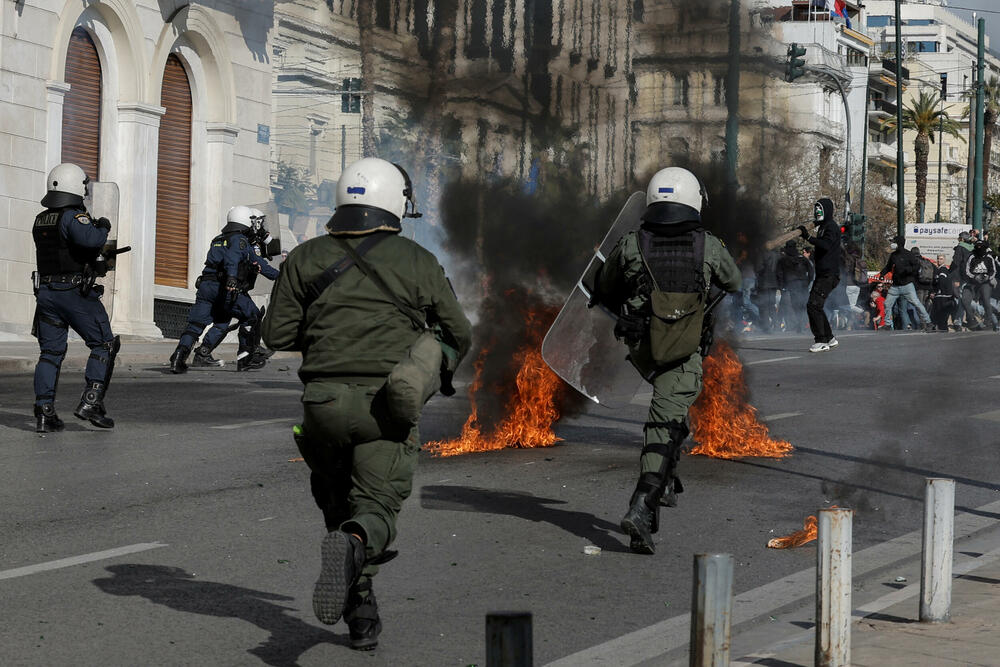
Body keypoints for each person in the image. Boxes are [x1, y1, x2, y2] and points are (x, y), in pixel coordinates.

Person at [261, 157, 471, 649]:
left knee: (338, 506)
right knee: (373, 510)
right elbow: (457, 331)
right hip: (386, 409)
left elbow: (276, 334)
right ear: (397, 201)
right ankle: (356, 548)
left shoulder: (305, 257)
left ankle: (361, 612)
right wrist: (431, 364)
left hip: (322, 404)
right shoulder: (418, 261)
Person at [592, 167, 741, 555]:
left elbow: (603, 287)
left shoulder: (630, 244)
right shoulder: (707, 245)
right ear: (693, 199)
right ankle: (642, 506)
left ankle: (668, 477)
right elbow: (735, 281)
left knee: (673, 414)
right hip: (682, 350)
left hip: (643, 349)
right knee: (664, 422)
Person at [31, 163, 119, 432]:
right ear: (74, 186)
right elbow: (91, 239)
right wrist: (103, 225)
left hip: (46, 294)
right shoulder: (73, 217)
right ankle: (91, 402)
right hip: (72, 293)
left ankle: (45, 412)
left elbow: (65, 252)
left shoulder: (41, 218)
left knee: (50, 353)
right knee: (104, 344)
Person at [168, 206, 279, 373]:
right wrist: (233, 279)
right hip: (226, 287)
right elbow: (234, 260)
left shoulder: (218, 238)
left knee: (198, 324)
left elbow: (256, 263)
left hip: (206, 287)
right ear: (244, 221)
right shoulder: (240, 240)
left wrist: (277, 274)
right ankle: (245, 358)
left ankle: (178, 357)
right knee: (252, 316)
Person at [797, 198, 841, 352]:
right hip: (823, 274)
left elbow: (826, 245)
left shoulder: (831, 227)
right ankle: (829, 338)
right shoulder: (823, 227)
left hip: (829, 275)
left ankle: (821, 340)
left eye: (820, 209)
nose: (817, 212)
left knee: (813, 305)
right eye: (816, 209)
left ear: (827, 210)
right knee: (817, 305)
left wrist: (808, 237)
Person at [878, 237, 932, 332]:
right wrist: (882, 274)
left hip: (907, 285)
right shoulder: (893, 255)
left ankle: (928, 322)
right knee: (887, 304)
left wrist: (907, 271)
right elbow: (888, 267)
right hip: (895, 286)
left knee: (917, 303)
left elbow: (916, 266)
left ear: (899, 243)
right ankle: (888, 324)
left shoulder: (909, 254)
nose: (892, 244)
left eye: (894, 242)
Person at [960, 239, 998, 331]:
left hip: (985, 283)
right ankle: (971, 319)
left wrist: (987, 277)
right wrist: (974, 277)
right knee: (964, 299)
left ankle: (988, 321)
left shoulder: (989, 257)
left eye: (981, 247)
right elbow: (967, 270)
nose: (979, 249)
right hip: (972, 283)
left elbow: (993, 271)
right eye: (977, 247)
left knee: (986, 299)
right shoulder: (971, 256)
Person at [776, 240, 812, 333]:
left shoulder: (782, 260)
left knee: (796, 305)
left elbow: (779, 274)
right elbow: (811, 271)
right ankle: (802, 324)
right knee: (802, 305)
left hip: (792, 285)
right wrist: (807, 282)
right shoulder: (802, 258)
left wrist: (781, 286)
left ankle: (800, 324)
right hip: (802, 285)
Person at [949, 231, 974, 330]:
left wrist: (952, 275)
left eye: (959, 238)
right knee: (965, 299)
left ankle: (987, 313)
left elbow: (956, 262)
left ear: (962, 239)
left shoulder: (960, 248)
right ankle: (958, 321)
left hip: (961, 277)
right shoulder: (972, 248)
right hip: (971, 277)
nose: (958, 240)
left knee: (961, 299)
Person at [753, 248, 780, 332]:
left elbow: (758, 268)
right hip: (773, 283)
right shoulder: (776, 255)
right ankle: (776, 325)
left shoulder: (761, 255)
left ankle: (766, 327)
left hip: (764, 283)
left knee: (764, 305)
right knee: (771, 305)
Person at [930, 254, 955, 331]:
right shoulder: (939, 269)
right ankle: (942, 329)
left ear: (944, 260)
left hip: (943, 296)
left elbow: (941, 282)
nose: (939, 260)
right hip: (942, 296)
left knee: (941, 315)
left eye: (941, 259)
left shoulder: (943, 270)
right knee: (941, 316)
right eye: (938, 259)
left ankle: (943, 330)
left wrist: (936, 292)